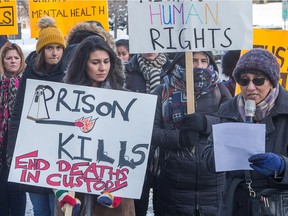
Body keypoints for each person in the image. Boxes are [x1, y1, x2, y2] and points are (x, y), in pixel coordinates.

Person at [6, 16, 79, 216]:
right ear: (41, 50)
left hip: (63, 155)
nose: (54, 52)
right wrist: (13, 152)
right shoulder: (30, 74)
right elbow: (18, 115)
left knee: (60, 210)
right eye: (49, 48)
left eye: (58, 47)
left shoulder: (71, 75)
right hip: (35, 155)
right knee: (40, 210)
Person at [202, 48, 288, 216]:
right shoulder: (229, 109)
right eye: (244, 80)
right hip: (236, 204)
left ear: (272, 82)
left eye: (258, 80)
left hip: (276, 205)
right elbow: (208, 158)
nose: (250, 87)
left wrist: (282, 166)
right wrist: (224, 151)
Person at [151, 51, 232, 216]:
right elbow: (150, 131)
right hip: (173, 184)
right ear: (181, 61)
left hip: (213, 183)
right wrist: (178, 138)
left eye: (204, 60)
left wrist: (205, 123)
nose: (199, 65)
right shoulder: (162, 91)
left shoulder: (220, 90)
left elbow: (232, 124)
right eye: (193, 60)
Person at [64, 35, 135, 216]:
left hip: (114, 189)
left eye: (106, 61)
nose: (102, 68)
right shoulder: (64, 99)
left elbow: (134, 143)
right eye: (95, 62)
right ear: (83, 64)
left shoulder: (125, 99)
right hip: (73, 185)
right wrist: (58, 189)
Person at [124, 52, 170, 216]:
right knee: (137, 208)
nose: (150, 48)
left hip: (164, 150)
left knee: (164, 207)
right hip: (134, 151)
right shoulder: (125, 71)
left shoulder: (174, 69)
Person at [0, 42, 26, 215]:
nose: (13, 61)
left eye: (16, 58)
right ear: (3, 61)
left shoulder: (27, 83)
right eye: (8, 58)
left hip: (20, 146)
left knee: (17, 191)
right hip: (2, 146)